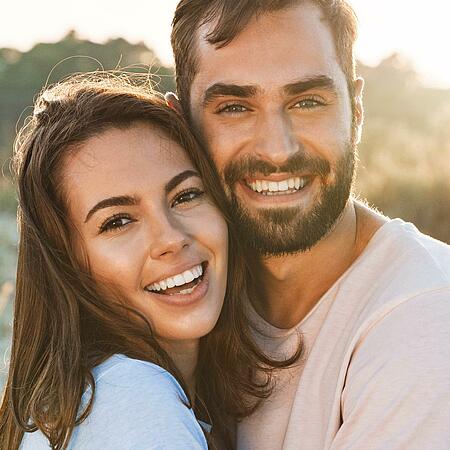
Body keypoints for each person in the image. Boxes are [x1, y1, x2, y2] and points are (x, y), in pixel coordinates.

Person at [168, 1, 450, 449]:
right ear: (182, 125)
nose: (277, 150)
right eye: (235, 107)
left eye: (307, 101)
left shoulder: (427, 322)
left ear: (356, 109)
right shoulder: (180, 290)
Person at [0, 74, 299, 450]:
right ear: (67, 263)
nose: (171, 238)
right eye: (118, 221)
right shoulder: (133, 402)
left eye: (185, 196)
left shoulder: (75, 403)